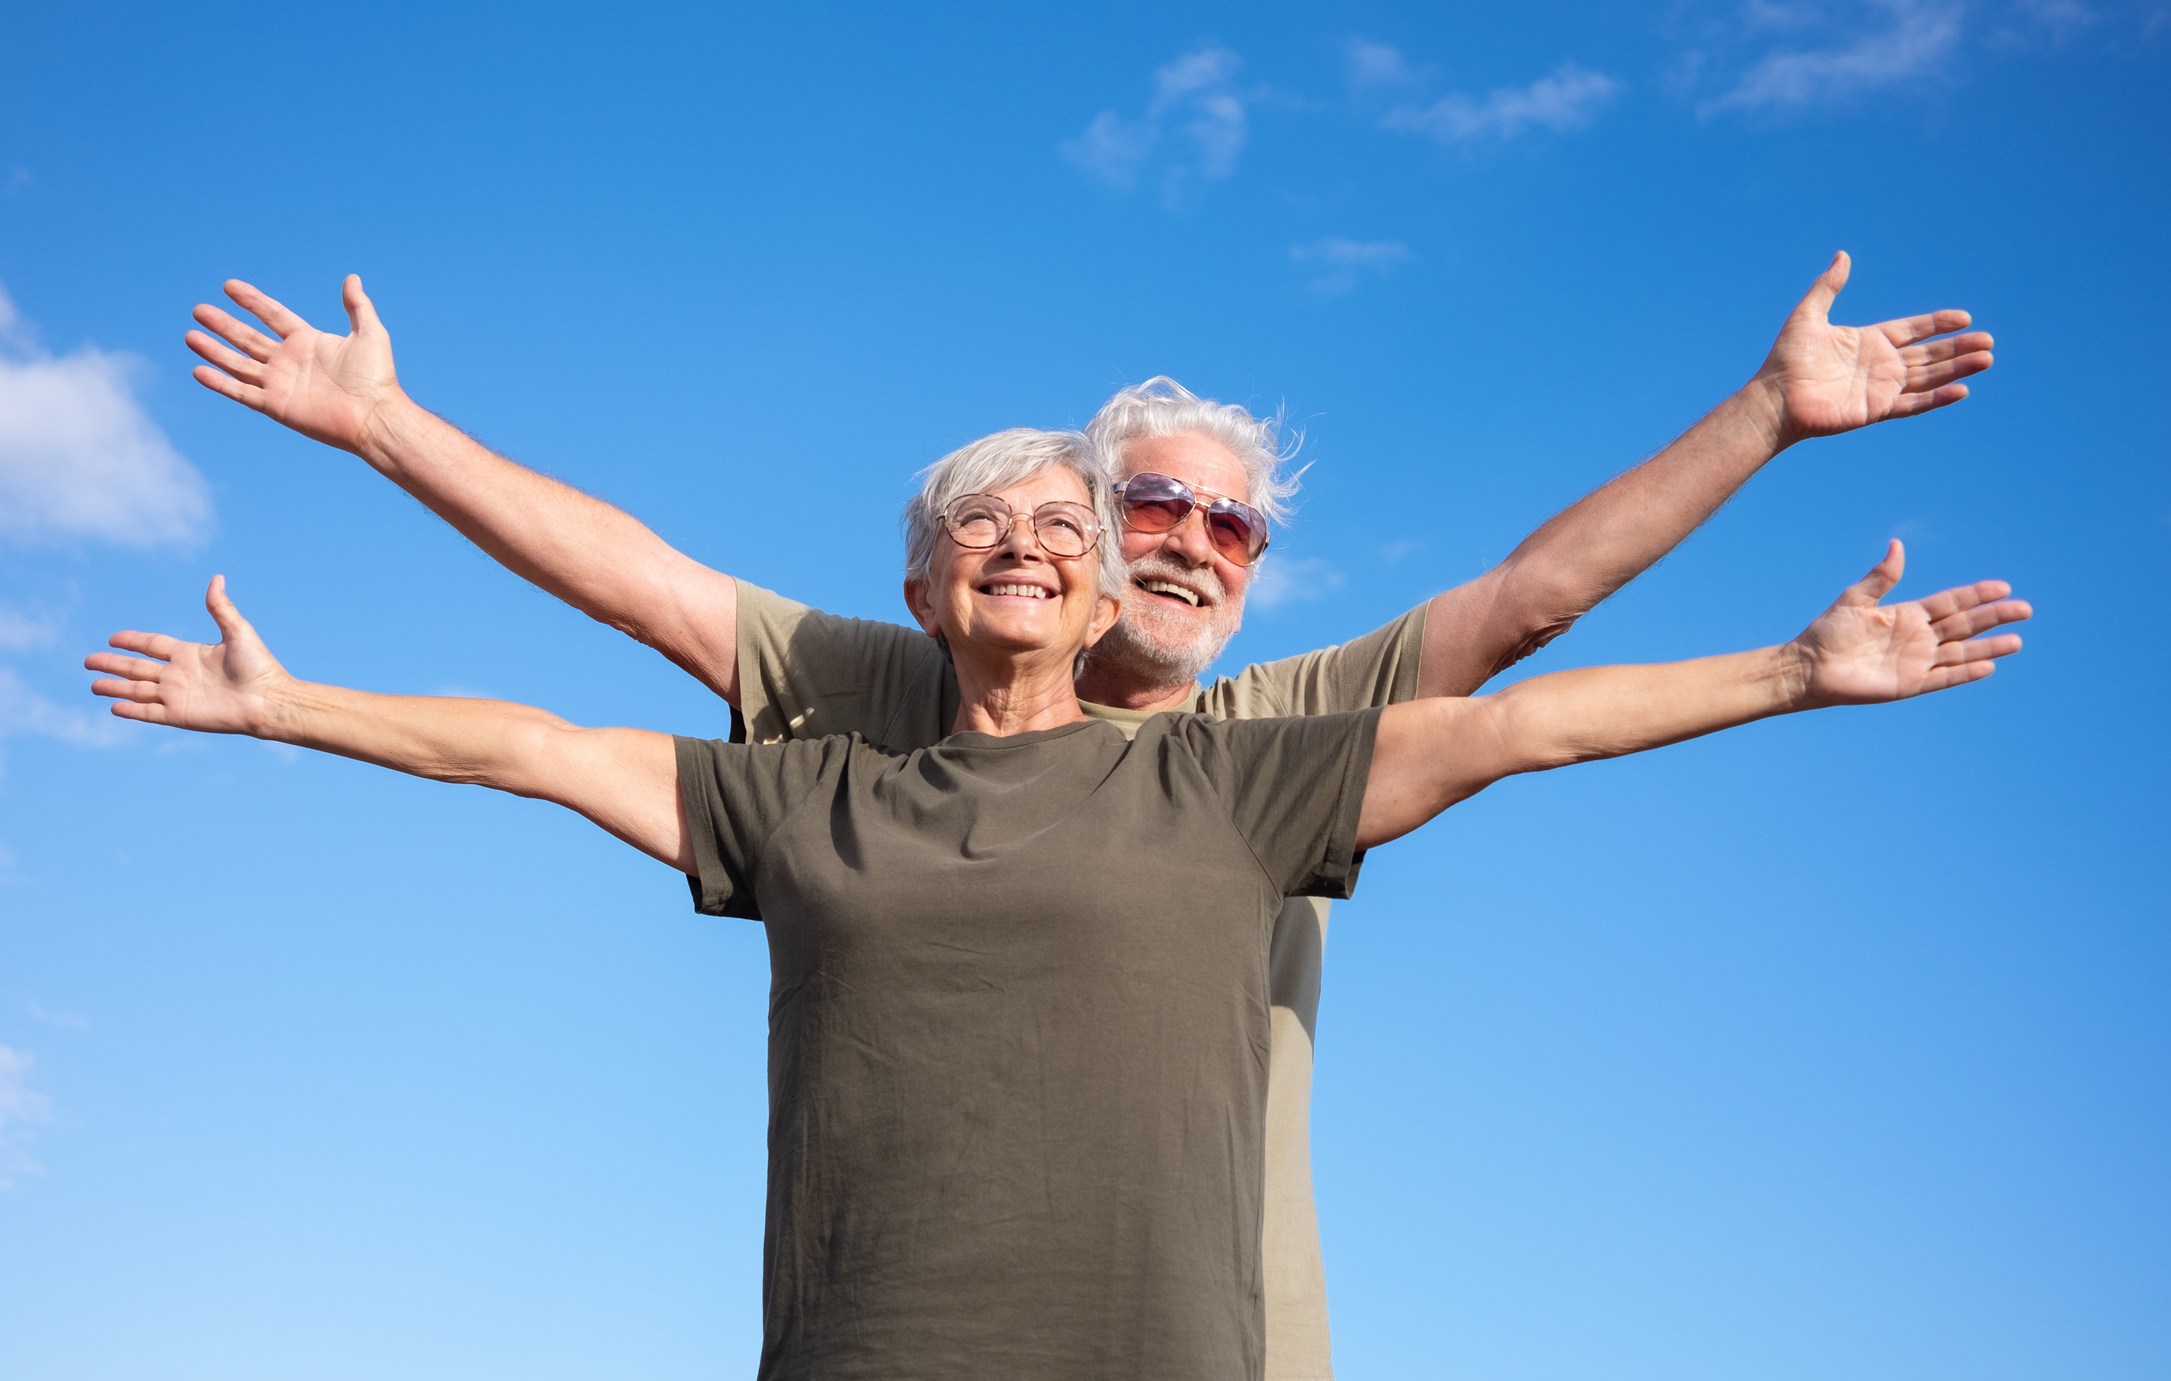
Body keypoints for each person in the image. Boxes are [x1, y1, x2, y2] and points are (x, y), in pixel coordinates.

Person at [180, 253, 1994, 1378]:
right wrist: (385, 435)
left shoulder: (1269, 738)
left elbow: (1525, 642)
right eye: (1150, 505)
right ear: (1042, 533)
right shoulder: (875, 705)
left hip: (1222, 1327)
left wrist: (1766, 435)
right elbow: (624, 613)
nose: (1192, 541)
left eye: (1236, 524)